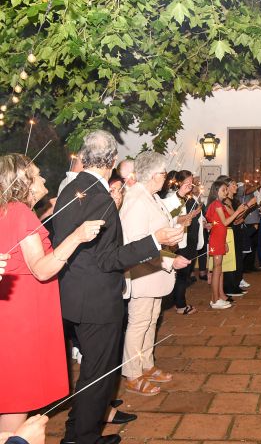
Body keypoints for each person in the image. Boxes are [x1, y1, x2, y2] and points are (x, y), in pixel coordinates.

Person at [53, 130, 184, 444]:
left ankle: (76, 431)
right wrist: (157, 241)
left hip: (74, 292)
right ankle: (83, 438)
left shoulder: (73, 188)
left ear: (84, 157)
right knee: (99, 376)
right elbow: (109, 258)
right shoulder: (97, 196)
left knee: (89, 373)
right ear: (111, 162)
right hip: (97, 299)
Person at [0, 154, 103, 434]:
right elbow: (42, 270)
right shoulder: (21, 214)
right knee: (17, 399)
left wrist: (43, 216)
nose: (44, 178)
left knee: (10, 391)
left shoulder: (9, 211)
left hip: (11, 312)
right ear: (25, 183)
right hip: (23, 316)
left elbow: (17, 245)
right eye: (37, 174)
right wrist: (77, 237)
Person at [120, 152, 191, 396]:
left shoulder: (150, 196)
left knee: (151, 321)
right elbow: (137, 245)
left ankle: (146, 365)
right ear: (153, 175)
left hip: (155, 274)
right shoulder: (136, 200)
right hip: (143, 273)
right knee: (138, 323)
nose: (166, 178)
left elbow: (158, 231)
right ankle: (132, 373)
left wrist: (175, 235)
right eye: (163, 173)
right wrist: (169, 262)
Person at [205, 180, 249, 309]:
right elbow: (224, 222)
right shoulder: (217, 204)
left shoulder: (219, 204)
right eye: (223, 190)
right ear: (216, 191)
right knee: (217, 270)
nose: (226, 192)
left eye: (226, 190)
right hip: (216, 238)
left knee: (220, 270)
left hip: (220, 238)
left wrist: (241, 209)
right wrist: (238, 211)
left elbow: (225, 221)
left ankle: (218, 296)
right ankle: (214, 300)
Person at [161, 171, 200, 315]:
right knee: (180, 275)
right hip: (174, 241)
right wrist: (184, 218)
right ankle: (180, 305)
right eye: (187, 182)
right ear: (179, 182)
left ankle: (178, 302)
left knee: (183, 274)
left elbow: (180, 216)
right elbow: (169, 216)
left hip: (183, 240)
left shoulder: (186, 197)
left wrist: (190, 217)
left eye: (191, 181)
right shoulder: (171, 197)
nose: (190, 184)